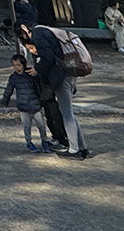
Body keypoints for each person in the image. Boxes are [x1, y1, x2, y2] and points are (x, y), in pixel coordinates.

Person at [19, 22, 88, 160]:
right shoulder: (48, 30)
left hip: (61, 76)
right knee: (69, 112)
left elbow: (48, 58)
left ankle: (74, 149)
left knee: (66, 113)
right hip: (70, 70)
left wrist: (37, 69)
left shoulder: (38, 35)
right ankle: (81, 147)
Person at [2, 54, 53, 153]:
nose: (17, 67)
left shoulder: (31, 74)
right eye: (14, 65)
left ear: (23, 65)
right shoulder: (13, 78)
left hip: (35, 105)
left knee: (41, 126)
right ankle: (29, 142)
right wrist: (5, 100)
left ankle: (44, 141)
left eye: (18, 65)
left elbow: (39, 86)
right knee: (27, 126)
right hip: (24, 107)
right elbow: (9, 89)